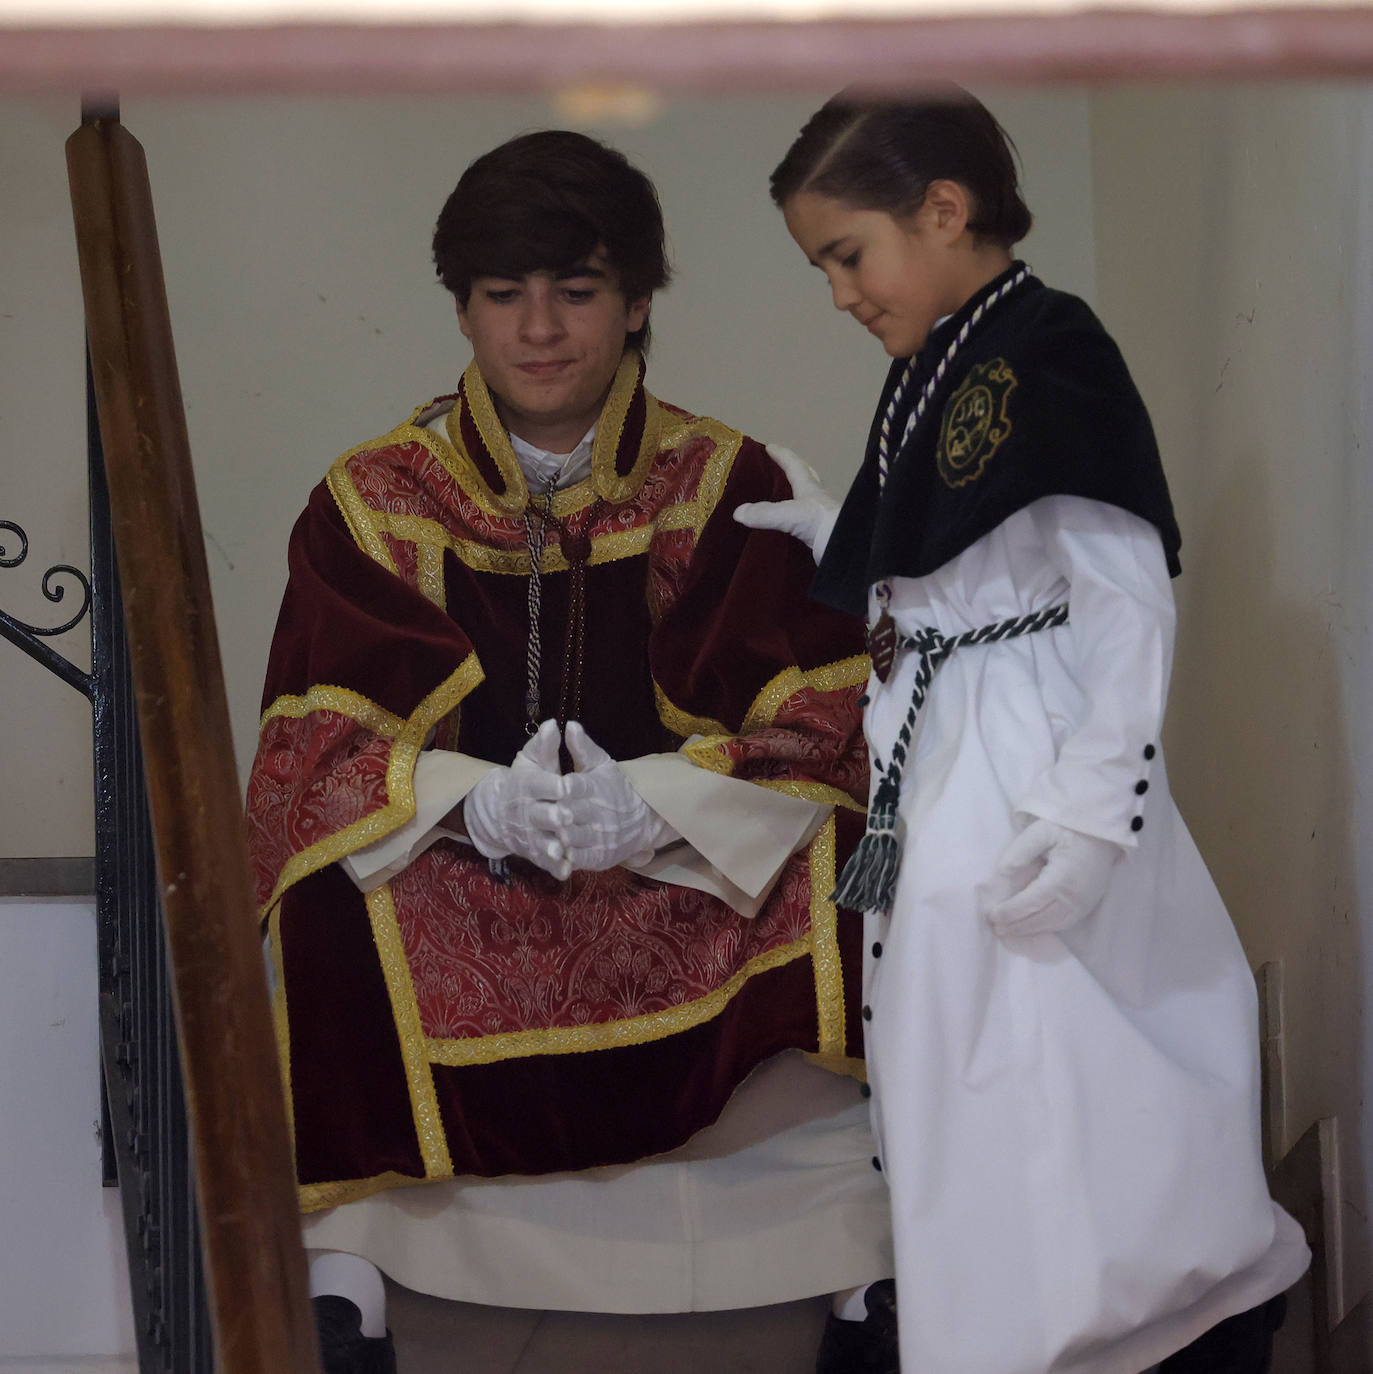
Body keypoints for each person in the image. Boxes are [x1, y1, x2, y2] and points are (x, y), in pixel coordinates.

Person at [245, 130, 896, 1374]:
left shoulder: (721, 482)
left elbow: (819, 715)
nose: (539, 330)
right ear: (463, 307)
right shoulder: (374, 498)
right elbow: (308, 746)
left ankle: (860, 1257)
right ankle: (350, 1272)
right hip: (466, 879)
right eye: (504, 296)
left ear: (639, 300)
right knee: (322, 865)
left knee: (850, 844)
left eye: (578, 291)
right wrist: (470, 806)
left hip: (674, 876)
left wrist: (651, 807)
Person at [735, 87, 1310, 1374]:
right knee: (965, 1071)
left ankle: (1111, 1319)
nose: (838, 293)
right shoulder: (927, 364)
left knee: (1072, 1061)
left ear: (943, 210)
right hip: (947, 770)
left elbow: (1116, 590)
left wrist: (1093, 807)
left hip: (1031, 773)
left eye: (846, 255)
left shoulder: (1047, 346)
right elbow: (955, 569)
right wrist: (849, 541)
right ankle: (993, 1328)